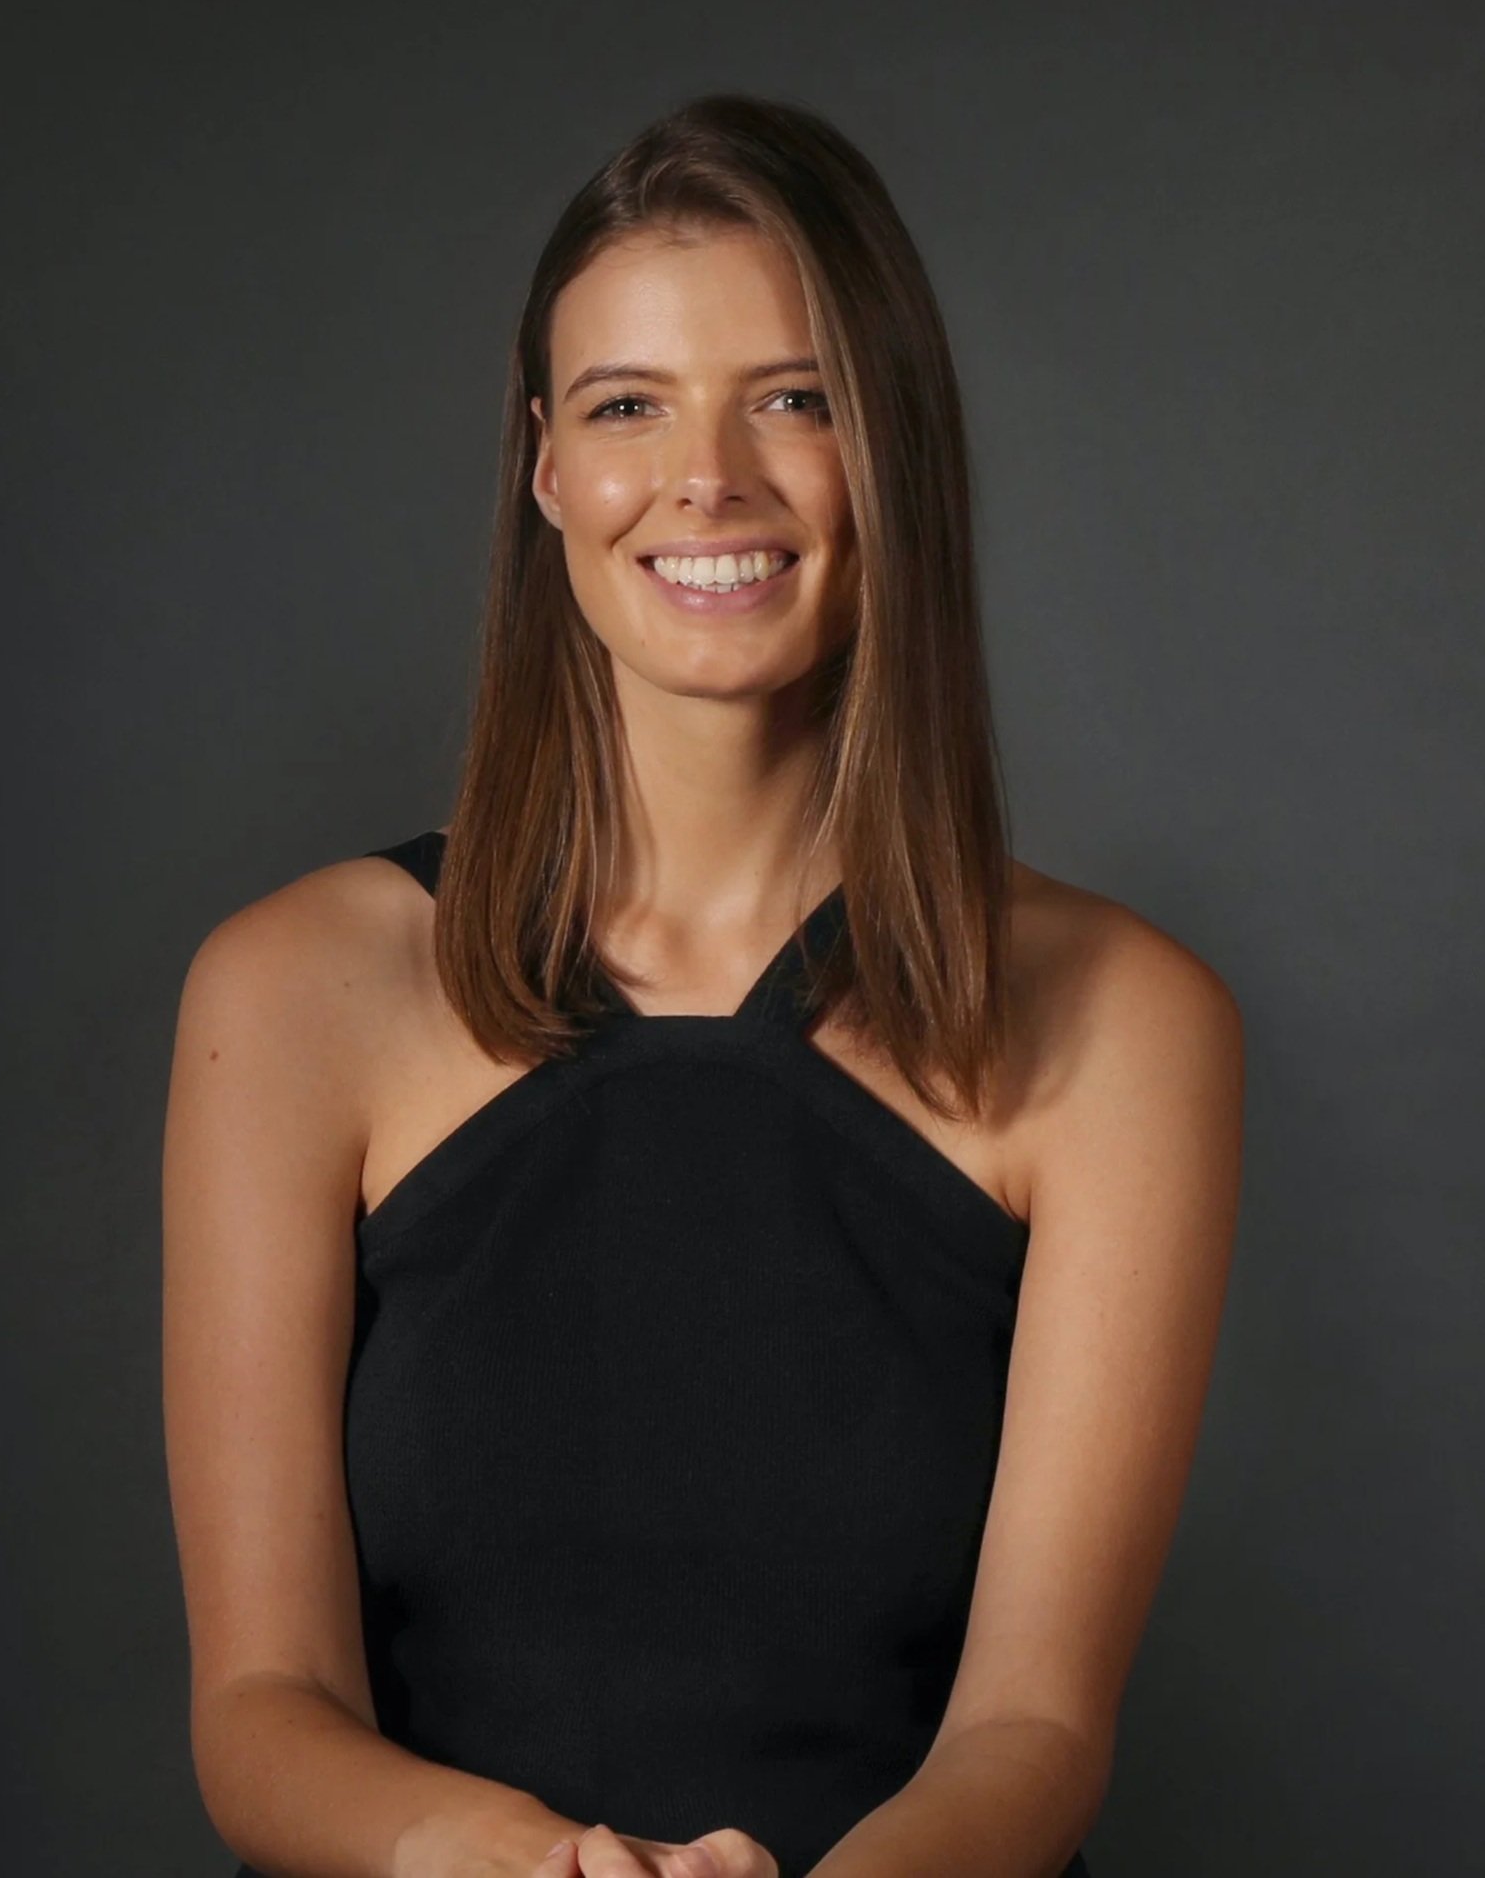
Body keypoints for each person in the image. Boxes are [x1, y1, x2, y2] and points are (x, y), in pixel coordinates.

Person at [162, 92, 1244, 1878]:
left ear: (888, 442)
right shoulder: (291, 992)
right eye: (627, 407)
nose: (709, 479)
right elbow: (261, 1710)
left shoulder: (1125, 1023)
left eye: (795, 399)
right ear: (544, 469)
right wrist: (510, 1863)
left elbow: (1032, 1729)